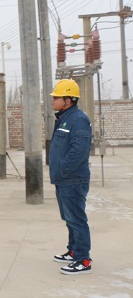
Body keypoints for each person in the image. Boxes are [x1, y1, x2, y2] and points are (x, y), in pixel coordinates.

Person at [49, 79, 93, 275]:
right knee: (69, 218)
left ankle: (83, 260)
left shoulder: (78, 119)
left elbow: (79, 151)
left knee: (76, 219)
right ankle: (74, 250)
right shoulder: (65, 118)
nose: (53, 100)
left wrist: (63, 170)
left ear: (68, 100)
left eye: (56, 97)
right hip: (64, 178)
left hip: (73, 179)